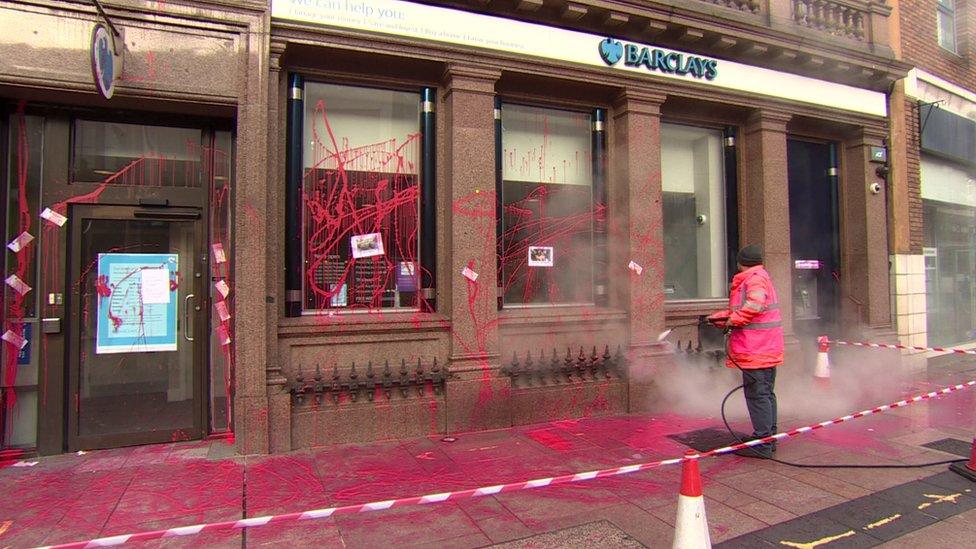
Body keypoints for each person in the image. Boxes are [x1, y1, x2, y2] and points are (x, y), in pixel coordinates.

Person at [707, 244, 784, 459]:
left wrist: (732, 320)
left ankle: (763, 443)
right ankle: (768, 437)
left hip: (756, 349)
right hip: (765, 347)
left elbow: (754, 306)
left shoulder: (753, 279)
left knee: (758, 395)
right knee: (766, 393)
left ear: (741, 262)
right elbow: (746, 310)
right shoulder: (760, 277)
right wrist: (719, 317)